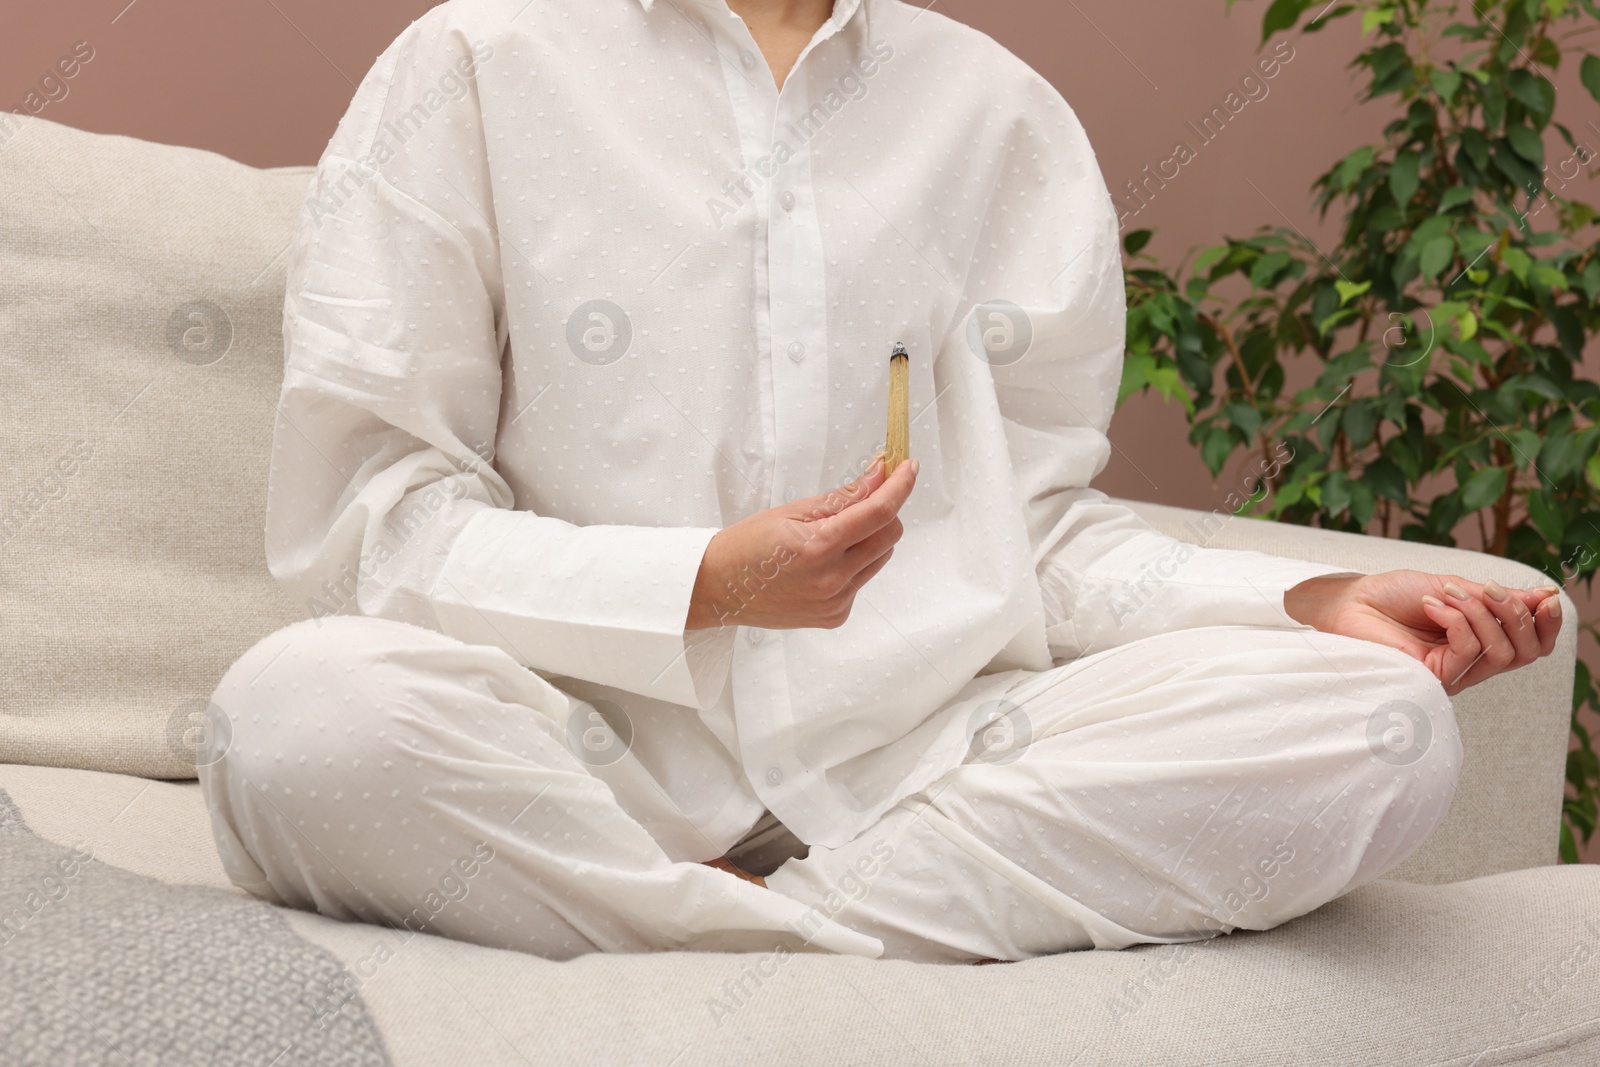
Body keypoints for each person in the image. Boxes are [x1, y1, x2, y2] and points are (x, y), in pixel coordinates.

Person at [198, 0, 1563, 964]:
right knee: (289, 720)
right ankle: (848, 931)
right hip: (573, 752)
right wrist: (706, 585)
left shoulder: (1003, 115)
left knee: (1379, 725)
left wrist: (1305, 599)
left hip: (931, 760)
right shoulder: (473, 60)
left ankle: (712, 925)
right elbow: (377, 522)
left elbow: (1030, 536)